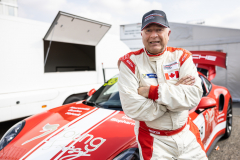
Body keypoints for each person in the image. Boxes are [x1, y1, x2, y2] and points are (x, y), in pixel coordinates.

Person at [118, 10, 208, 160]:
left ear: (168, 33)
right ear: (142, 34)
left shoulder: (182, 56)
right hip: (153, 141)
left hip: (187, 134)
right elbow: (132, 107)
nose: (154, 35)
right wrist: (174, 95)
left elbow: (193, 98)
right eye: (148, 30)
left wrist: (152, 92)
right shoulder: (129, 62)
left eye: (159, 30)